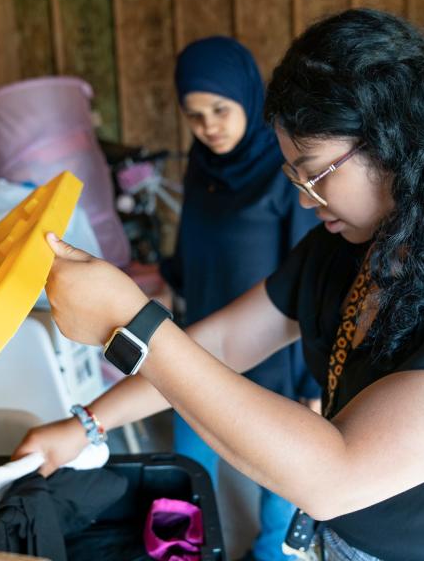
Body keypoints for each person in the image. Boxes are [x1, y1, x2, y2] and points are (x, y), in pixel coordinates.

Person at [16, 9, 424, 560]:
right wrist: (85, 426)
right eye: (294, 175)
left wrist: (133, 323)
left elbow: (335, 472)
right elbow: (226, 343)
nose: (305, 198)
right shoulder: (357, 243)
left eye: (317, 173)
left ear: (398, 139)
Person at [160, 36, 320, 560]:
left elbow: (310, 279)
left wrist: (310, 384)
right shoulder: (202, 167)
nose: (208, 125)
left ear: (248, 99)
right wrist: (159, 274)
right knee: (182, 482)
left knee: (278, 500)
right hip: (202, 349)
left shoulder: (283, 169)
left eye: (219, 109)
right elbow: (192, 251)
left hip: (274, 360)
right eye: (194, 114)